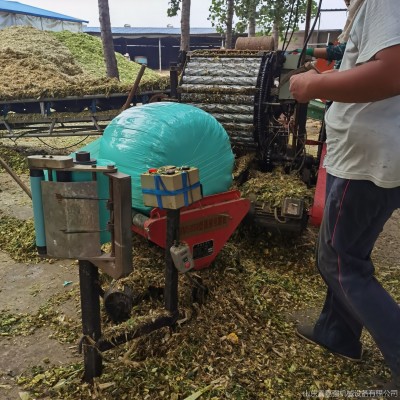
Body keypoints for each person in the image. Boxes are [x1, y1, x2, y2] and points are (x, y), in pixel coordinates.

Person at [289, 0, 400, 389]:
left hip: (367, 158)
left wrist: (313, 84)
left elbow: (391, 71)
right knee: (348, 251)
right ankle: (337, 334)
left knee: (339, 262)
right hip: (374, 156)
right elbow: (369, 63)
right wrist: (333, 72)